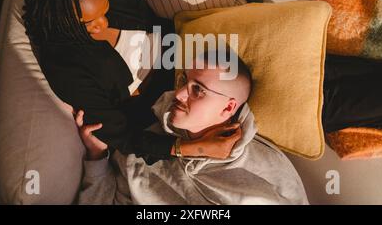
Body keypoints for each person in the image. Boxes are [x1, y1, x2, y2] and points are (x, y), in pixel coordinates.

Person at [16, 0, 240, 163]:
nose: (103, 23)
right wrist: (195, 148)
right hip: (164, 109)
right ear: (61, 23)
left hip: (191, 56)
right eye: (88, 23)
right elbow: (124, 137)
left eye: (104, 8)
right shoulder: (66, 67)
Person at [76, 51, 309, 205]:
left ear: (228, 108)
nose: (179, 94)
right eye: (183, 81)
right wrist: (97, 157)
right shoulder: (144, 143)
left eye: (198, 90)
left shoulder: (263, 167)